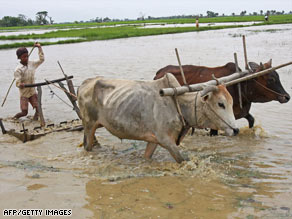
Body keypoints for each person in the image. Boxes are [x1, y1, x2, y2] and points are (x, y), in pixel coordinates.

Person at [13, 42, 44, 120]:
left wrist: (39, 48)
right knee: (24, 112)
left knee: (38, 108)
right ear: (19, 58)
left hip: (32, 91)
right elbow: (17, 82)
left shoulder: (32, 64)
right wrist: (20, 84)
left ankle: (35, 120)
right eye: (24, 57)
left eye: (27, 56)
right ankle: (14, 118)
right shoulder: (18, 69)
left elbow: (41, 59)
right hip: (24, 93)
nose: (26, 58)